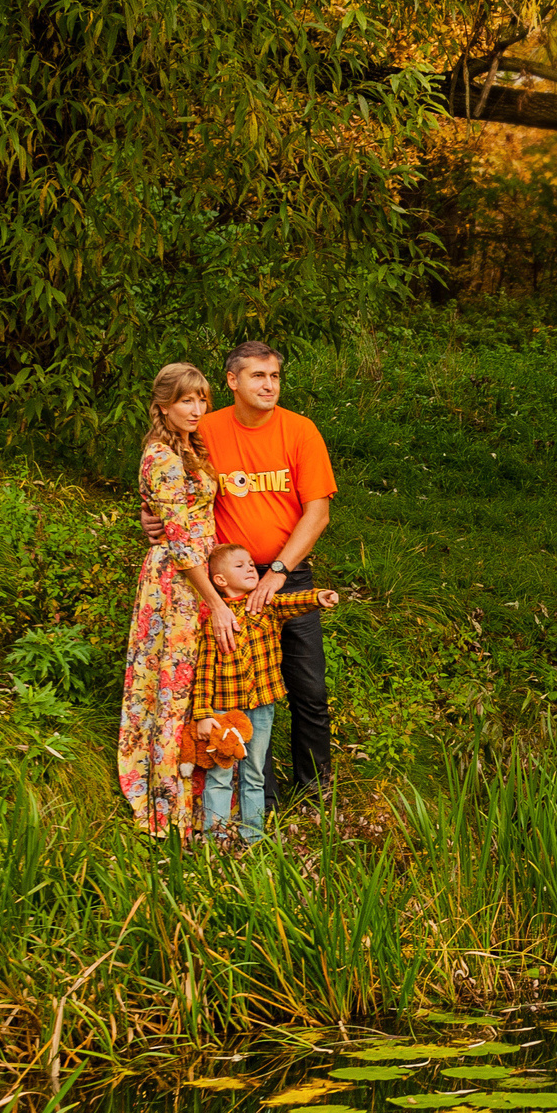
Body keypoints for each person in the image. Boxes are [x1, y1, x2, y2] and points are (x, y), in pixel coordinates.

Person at [146, 341, 339, 810]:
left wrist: (278, 571)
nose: (268, 385)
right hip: (226, 584)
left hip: (285, 576)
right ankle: (258, 801)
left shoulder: (300, 430)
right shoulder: (204, 428)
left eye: (274, 376)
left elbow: (318, 513)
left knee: (307, 687)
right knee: (243, 691)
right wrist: (152, 519)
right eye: (257, 376)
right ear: (232, 381)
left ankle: (315, 795)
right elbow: (176, 491)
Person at [115, 364, 234, 836]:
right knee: (171, 685)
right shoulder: (162, 455)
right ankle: (167, 802)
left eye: (202, 399)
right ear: (163, 404)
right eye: (186, 400)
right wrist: (216, 600)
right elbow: (180, 540)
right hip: (178, 584)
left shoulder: (192, 447)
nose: (197, 409)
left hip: (199, 577)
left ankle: (197, 795)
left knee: (190, 686)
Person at [191, 544, 339, 844]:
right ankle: (215, 837)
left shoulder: (266, 607)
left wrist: (319, 597)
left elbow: (294, 603)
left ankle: (253, 835)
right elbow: (204, 671)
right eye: (240, 566)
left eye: (250, 563)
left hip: (262, 706)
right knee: (220, 775)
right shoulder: (215, 622)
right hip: (225, 712)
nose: (250, 569)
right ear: (219, 581)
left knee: (254, 773)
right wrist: (203, 714)